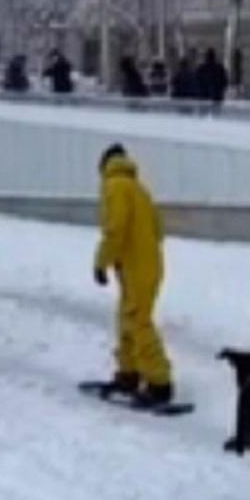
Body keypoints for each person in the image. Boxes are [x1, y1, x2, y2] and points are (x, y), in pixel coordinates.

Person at [92, 144, 173, 407]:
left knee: (138, 321)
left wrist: (101, 262)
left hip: (136, 266)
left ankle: (160, 383)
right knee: (127, 318)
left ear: (105, 164)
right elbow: (159, 229)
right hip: (147, 265)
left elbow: (115, 229)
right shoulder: (140, 189)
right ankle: (129, 373)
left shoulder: (114, 187)